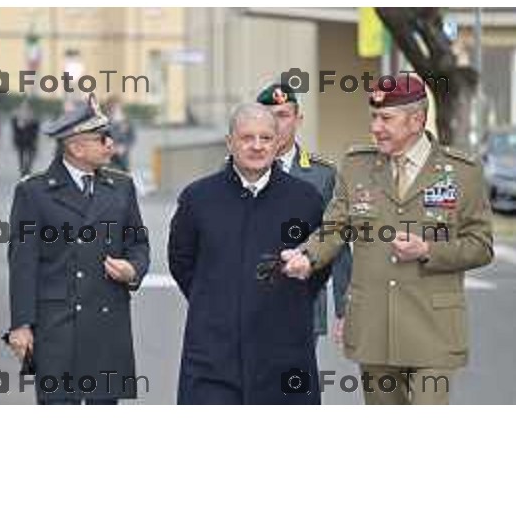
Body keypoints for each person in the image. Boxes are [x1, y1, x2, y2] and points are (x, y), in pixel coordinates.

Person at [281, 74, 493, 405]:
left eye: (386, 118)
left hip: (433, 330)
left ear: (417, 120)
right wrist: (307, 256)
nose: (376, 127)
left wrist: (428, 250)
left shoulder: (462, 172)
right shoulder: (356, 166)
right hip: (374, 327)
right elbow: (335, 228)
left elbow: (481, 245)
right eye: (373, 117)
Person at [168, 103, 330, 405]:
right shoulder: (198, 198)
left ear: (278, 141)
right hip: (213, 355)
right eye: (247, 138)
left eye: (266, 138)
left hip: (284, 352)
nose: (257, 146)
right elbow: (182, 262)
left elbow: (319, 265)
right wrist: (217, 303)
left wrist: (284, 301)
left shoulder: (305, 199)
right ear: (230, 142)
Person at [6, 93, 150, 405]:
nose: (111, 144)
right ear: (76, 147)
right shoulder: (34, 192)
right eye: (103, 138)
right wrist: (20, 324)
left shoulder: (121, 187)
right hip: (57, 329)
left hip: (106, 327)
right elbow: (23, 263)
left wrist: (133, 270)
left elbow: (138, 243)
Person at [256, 83, 352, 345]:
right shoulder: (233, 171)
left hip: (302, 302)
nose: (275, 124)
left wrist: (344, 309)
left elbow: (337, 242)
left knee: (297, 384)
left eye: (283, 115)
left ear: (298, 119)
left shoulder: (322, 175)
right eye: (267, 116)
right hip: (249, 304)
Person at [106, 97, 135, 172]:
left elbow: (132, 138)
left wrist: (124, 147)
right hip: (108, 157)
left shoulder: (127, 121)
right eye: (112, 107)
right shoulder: (105, 121)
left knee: (124, 176)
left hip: (123, 157)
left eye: (116, 107)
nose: (114, 109)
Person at [11, 101, 40, 176]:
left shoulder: (33, 116)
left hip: (30, 140)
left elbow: (36, 128)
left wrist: (28, 124)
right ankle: (23, 170)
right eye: (23, 107)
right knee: (21, 155)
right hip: (20, 140)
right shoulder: (16, 116)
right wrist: (18, 125)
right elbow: (14, 129)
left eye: (26, 107)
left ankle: (26, 169)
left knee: (30, 156)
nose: (25, 109)